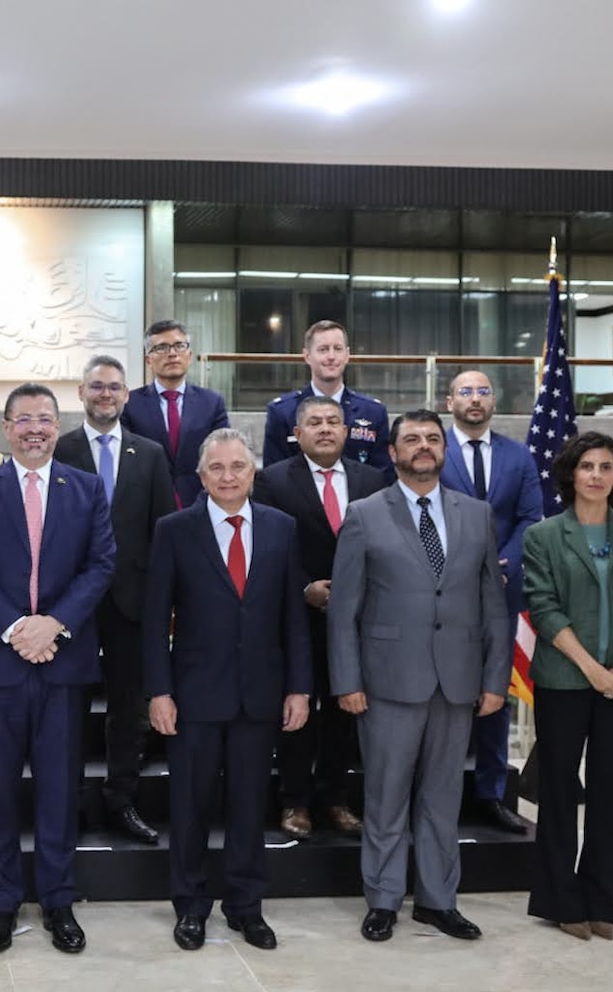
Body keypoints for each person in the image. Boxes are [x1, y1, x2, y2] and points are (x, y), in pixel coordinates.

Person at [329, 409, 511, 944]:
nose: (424, 446)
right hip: (387, 682)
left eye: (433, 438)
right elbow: (344, 609)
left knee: (442, 798)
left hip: (457, 683)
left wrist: (495, 679)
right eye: (412, 439)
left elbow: (493, 606)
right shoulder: (364, 514)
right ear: (393, 452)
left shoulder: (476, 515)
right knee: (386, 797)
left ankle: (437, 901)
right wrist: (347, 682)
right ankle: (383, 900)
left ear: (445, 450)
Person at [0, 382, 115, 954]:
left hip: (62, 664)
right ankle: (1, 904)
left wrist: (54, 625)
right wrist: (16, 627)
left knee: (58, 790)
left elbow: (101, 564)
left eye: (46, 418)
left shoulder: (87, 488)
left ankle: (58, 901)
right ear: (6, 427)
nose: (36, 429)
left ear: (57, 424)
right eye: (25, 420)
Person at [144, 430, 311, 951]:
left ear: (253, 471)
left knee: (248, 804)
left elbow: (294, 619)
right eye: (217, 468)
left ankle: (246, 905)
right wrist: (159, 691)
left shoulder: (282, 528)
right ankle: (190, 905)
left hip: (260, 694)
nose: (228, 476)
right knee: (190, 805)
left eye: (238, 466)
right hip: (193, 694)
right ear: (201, 476)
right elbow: (154, 620)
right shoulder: (174, 530)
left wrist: (300, 688)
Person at [522, 432, 613, 941]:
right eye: (588, 466)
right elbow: (544, 607)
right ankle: (561, 900)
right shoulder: (543, 536)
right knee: (559, 789)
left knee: (612, 790)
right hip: (564, 680)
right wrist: (592, 668)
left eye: (606, 467)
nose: (597, 475)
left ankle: (604, 900)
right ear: (571, 475)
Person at [54, 355, 176, 844]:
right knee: (70, 709)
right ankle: (70, 804)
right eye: (97, 387)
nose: (106, 394)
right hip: (73, 605)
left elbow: (163, 529)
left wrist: (165, 601)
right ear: (81, 393)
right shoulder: (60, 450)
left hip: (134, 603)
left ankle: (120, 800)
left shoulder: (149, 454)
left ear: (127, 395)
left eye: (115, 388)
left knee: (128, 711)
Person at [252, 395, 386, 839]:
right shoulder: (271, 481)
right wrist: (304, 587)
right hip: (297, 618)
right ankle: (293, 801)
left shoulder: (373, 479)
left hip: (358, 621)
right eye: (314, 422)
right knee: (297, 712)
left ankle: (334, 798)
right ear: (298, 432)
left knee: (344, 714)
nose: (325, 428)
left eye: (333, 421)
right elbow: (268, 550)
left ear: (347, 431)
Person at [439, 370, 544, 832]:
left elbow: (529, 518)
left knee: (495, 695)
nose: (475, 399)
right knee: (441, 694)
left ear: (494, 401)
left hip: (501, 592)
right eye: (466, 392)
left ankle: (492, 795)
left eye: (483, 391)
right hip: (443, 592)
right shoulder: (431, 450)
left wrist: (506, 561)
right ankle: (436, 795)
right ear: (449, 401)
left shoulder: (518, 456)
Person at [120, 319, 231, 507]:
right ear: (148, 359)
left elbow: (223, 455)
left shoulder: (212, 403)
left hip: (200, 504)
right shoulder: (129, 404)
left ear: (189, 354)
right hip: (146, 505)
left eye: (179, 346)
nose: (172, 354)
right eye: (162, 347)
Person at [263, 320, 392, 479]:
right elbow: (272, 478)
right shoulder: (282, 412)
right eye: (323, 349)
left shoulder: (373, 412)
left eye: (337, 349)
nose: (331, 356)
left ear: (347, 355)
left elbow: (383, 477)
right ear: (307, 356)